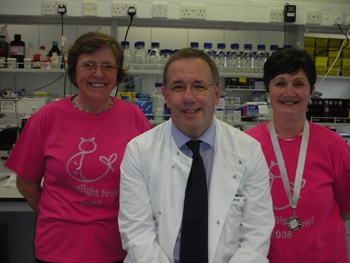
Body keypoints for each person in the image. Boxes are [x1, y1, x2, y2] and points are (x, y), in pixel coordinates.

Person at [5, 31, 152, 263]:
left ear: (118, 73)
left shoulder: (134, 117)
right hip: (59, 249)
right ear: (74, 70)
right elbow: (25, 183)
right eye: (89, 64)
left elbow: (150, 180)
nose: (98, 74)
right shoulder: (47, 118)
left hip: (120, 247)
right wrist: (58, 215)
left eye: (108, 66)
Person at [118, 47, 275, 263]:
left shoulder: (248, 150)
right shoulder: (139, 150)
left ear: (217, 94)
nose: (188, 97)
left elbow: (256, 234)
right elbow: (137, 235)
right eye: (178, 87)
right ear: (165, 96)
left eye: (199, 86)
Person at [245, 48, 350, 263]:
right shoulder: (246, 144)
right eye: (280, 83)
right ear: (268, 89)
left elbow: (346, 207)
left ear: (312, 90)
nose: (289, 92)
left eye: (299, 83)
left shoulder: (334, 145)